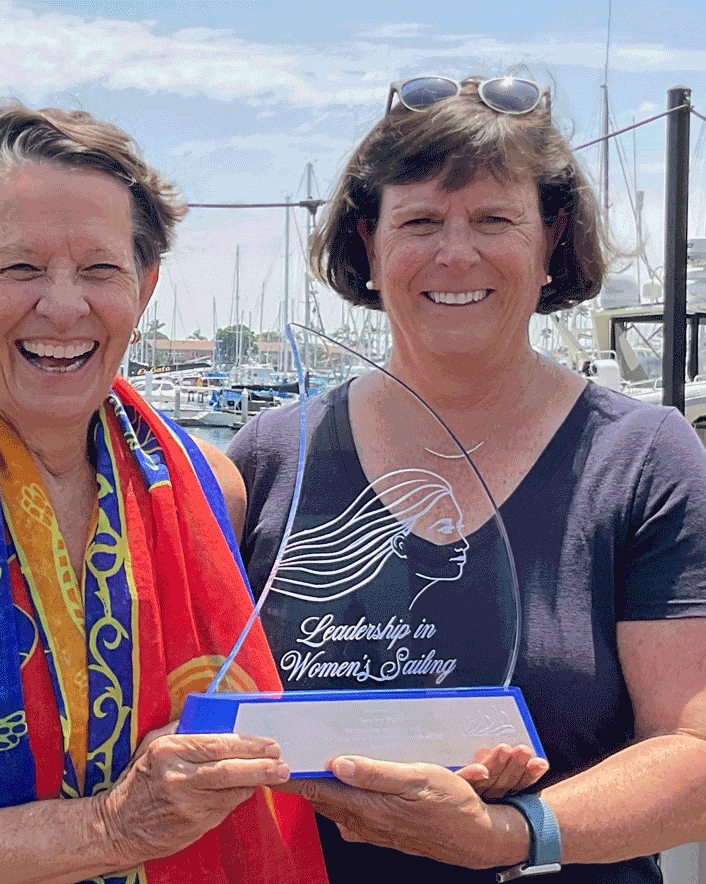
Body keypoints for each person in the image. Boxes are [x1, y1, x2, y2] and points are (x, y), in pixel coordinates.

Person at [0, 103, 329, 884]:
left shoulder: (214, 487)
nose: (61, 305)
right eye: (19, 268)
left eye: (99, 269)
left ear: (144, 289)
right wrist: (109, 830)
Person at [227, 76, 706, 881]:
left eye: (493, 220)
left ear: (551, 237)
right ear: (368, 241)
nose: (456, 253)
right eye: (419, 221)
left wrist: (511, 833)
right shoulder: (268, 457)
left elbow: (694, 753)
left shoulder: (646, 461)